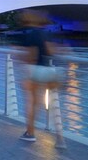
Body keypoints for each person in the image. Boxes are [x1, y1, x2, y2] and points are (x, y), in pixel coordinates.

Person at [14, 10, 64, 144]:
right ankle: (60, 137)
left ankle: (30, 133)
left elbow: (31, 55)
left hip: (36, 70)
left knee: (33, 103)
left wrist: (25, 69)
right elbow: (51, 51)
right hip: (52, 70)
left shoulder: (31, 34)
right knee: (54, 104)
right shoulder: (47, 33)